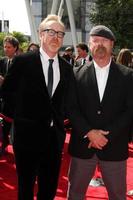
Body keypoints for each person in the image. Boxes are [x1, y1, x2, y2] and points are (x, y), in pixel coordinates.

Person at [1, 14, 75, 200]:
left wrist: (60, 120)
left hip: (54, 140)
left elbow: (68, 100)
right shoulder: (23, 62)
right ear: (40, 34)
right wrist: (23, 117)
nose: (56, 37)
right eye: (51, 32)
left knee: (48, 190)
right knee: (25, 189)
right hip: (26, 138)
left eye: (60, 33)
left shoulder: (67, 68)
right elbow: (7, 93)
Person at [67, 25, 133, 200]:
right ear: (90, 44)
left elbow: (129, 111)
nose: (100, 44)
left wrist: (106, 136)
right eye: (96, 40)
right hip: (83, 146)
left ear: (112, 45)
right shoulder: (75, 74)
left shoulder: (128, 76)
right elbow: (71, 108)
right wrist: (89, 133)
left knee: (118, 196)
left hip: (114, 147)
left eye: (104, 41)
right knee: (74, 195)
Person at [0, 35, 19, 155]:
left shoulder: (22, 62)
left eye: (9, 47)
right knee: (4, 127)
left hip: (17, 103)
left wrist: (5, 81)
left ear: (15, 48)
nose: (6, 49)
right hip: (4, 102)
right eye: (5, 47)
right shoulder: (2, 61)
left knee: (17, 130)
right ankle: (4, 145)